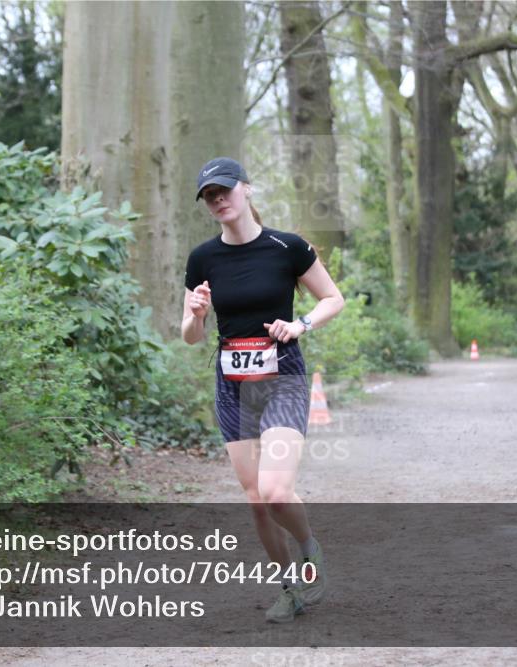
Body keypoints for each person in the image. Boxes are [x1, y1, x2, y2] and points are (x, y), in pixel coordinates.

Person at [181, 157, 345, 623]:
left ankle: (310, 550)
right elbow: (190, 336)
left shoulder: (286, 247)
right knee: (256, 499)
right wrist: (196, 314)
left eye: (225, 190)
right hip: (232, 385)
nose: (218, 200)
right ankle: (289, 589)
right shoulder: (202, 259)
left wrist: (300, 325)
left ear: (246, 189)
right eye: (209, 196)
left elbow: (333, 298)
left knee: (275, 491)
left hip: (282, 378)